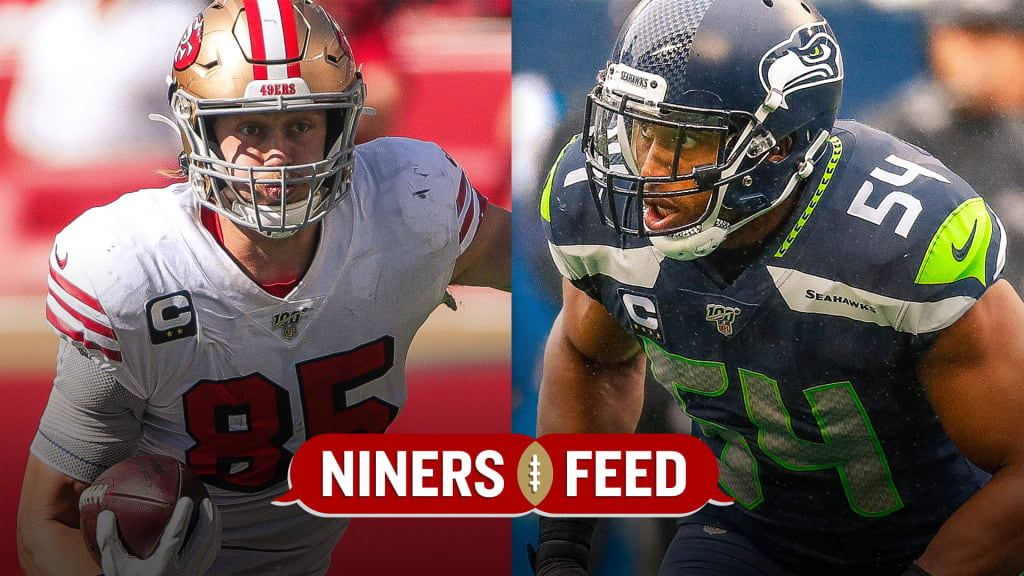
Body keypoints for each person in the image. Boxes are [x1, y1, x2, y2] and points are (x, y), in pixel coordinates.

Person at [16, 0, 510, 574]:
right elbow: (44, 522)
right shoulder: (133, 269)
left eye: (300, 124)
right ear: (197, 129)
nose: (277, 155)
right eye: (250, 127)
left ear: (340, 125)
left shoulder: (409, 207)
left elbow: (551, 268)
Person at [534, 0, 1024, 574]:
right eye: (640, 129)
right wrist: (563, 545)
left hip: (930, 539)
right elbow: (590, 356)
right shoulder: (597, 204)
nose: (646, 169)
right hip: (747, 531)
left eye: (685, 140)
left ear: (779, 145)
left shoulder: (900, 237)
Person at [870, 0, 1024, 294]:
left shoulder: (1016, 140)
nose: (987, 57)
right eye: (973, 36)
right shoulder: (888, 141)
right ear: (936, 40)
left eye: (1003, 36)